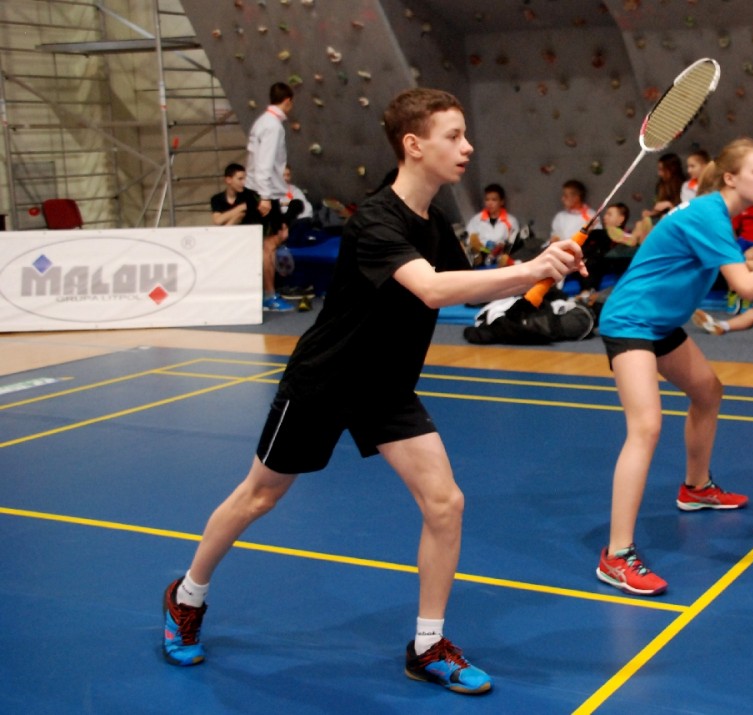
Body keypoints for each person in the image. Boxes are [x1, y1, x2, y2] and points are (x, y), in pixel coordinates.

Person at [160, 87, 585, 694]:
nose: (467, 147)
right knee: (258, 497)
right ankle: (187, 595)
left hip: (385, 386)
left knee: (446, 503)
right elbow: (432, 289)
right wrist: (532, 268)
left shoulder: (433, 222)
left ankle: (427, 645)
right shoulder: (377, 220)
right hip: (326, 378)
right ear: (414, 145)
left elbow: (469, 285)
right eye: (454, 136)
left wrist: (546, 266)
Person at [593, 138, 753, 596]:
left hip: (661, 322)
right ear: (730, 178)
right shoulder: (708, 214)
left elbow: (740, 273)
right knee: (646, 426)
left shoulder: (715, 215)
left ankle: (696, 487)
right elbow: (745, 285)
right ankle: (616, 555)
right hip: (632, 320)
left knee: (707, 391)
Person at [246, 81, 296, 312]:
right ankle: (269, 296)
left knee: (275, 238)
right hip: (262, 193)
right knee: (268, 245)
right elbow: (264, 162)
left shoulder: (263, 122)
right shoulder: (273, 126)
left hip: (261, 190)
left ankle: (267, 294)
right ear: (287, 101)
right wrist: (265, 196)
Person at [574, 202, 637, 299]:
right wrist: (587, 231)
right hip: (584, 262)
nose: (604, 217)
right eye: (605, 214)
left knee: (593, 261)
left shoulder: (626, 236)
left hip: (609, 263)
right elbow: (580, 246)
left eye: (609, 214)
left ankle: (587, 292)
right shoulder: (596, 233)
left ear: (621, 219)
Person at [465, 183, 519, 266]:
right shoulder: (476, 220)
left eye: (494, 200)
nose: (489, 203)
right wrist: (482, 249)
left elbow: (513, 242)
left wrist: (501, 247)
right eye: (487, 200)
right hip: (482, 254)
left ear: (502, 202)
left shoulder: (511, 221)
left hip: (501, 255)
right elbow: (469, 239)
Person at [209, 162, 262, 227]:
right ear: (228, 180)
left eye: (245, 179)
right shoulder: (217, 199)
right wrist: (241, 207)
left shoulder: (249, 195)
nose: (244, 182)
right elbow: (218, 221)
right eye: (240, 179)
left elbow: (242, 216)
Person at [641, 152, 685, 220]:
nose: (659, 173)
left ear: (672, 169)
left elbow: (684, 215)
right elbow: (660, 209)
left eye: (662, 170)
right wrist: (652, 213)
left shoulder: (685, 186)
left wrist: (669, 205)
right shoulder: (660, 186)